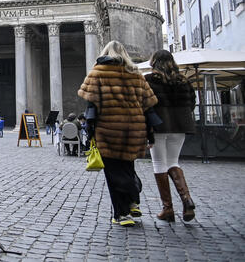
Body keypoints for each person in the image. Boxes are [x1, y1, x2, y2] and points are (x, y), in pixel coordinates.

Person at [77, 40, 158, 227]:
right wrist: (150, 134)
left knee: (113, 174)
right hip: (134, 129)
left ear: (105, 52)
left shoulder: (98, 72)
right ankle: (132, 202)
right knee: (127, 168)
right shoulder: (136, 74)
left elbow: (91, 107)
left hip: (108, 130)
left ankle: (123, 213)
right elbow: (148, 107)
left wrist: (89, 132)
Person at [145, 49, 197, 223]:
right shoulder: (183, 80)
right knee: (173, 162)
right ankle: (186, 199)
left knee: (159, 163)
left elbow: (145, 105)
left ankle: (168, 209)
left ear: (154, 62)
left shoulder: (149, 80)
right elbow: (192, 102)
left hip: (159, 125)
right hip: (180, 125)